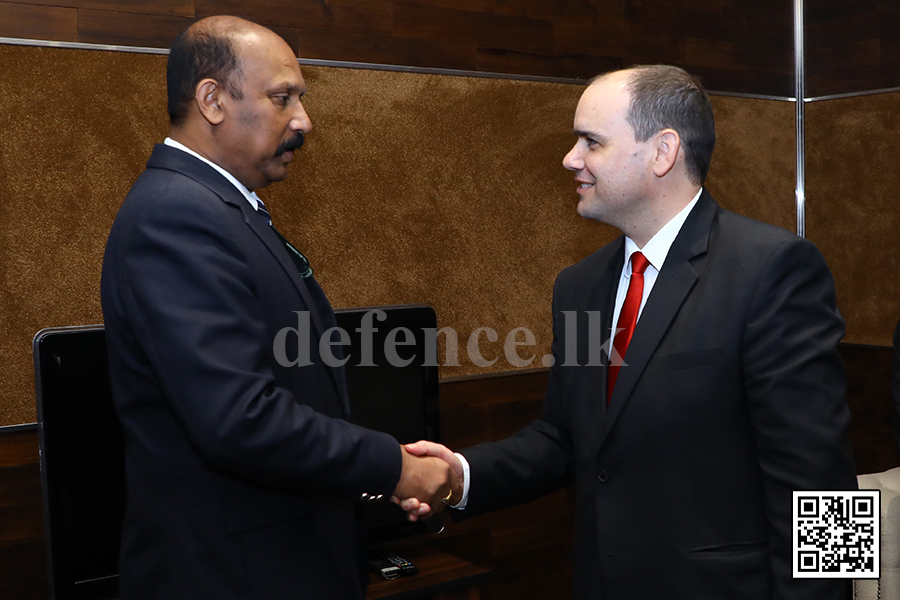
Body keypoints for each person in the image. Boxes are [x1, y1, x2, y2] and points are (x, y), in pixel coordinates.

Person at [399, 65, 857, 599]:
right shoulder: (579, 285)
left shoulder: (774, 268)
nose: (570, 159)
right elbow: (565, 437)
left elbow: (823, 483)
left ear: (663, 152)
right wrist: (460, 473)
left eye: (590, 141)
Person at [101, 16, 458, 600]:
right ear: (212, 100)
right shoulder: (176, 215)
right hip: (231, 573)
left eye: (301, 98)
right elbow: (239, 417)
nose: (302, 121)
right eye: (281, 98)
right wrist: (393, 466)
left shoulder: (221, 207)